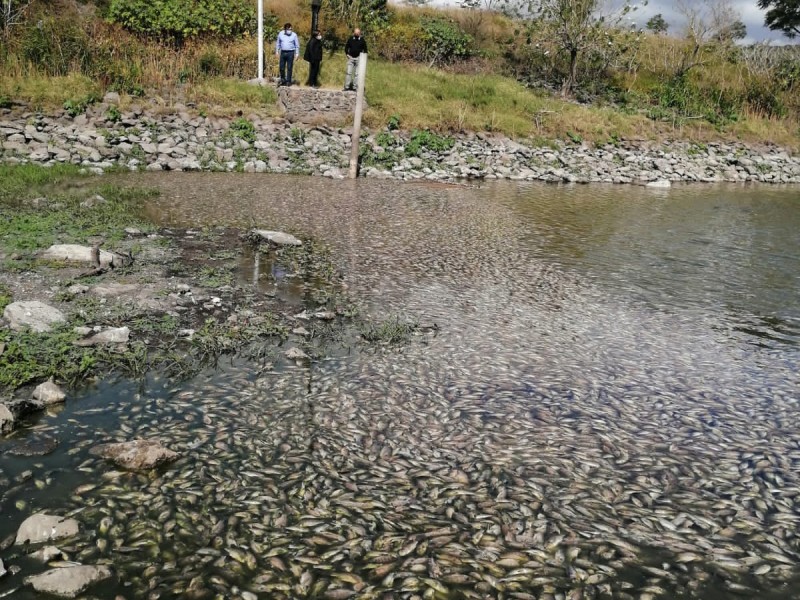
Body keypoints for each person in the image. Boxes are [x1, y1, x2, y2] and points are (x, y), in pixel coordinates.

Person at [343, 27, 367, 92]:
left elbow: (365, 50)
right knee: (348, 73)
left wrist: (362, 58)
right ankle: (346, 87)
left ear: (360, 33)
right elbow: (346, 47)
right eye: (355, 33)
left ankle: (354, 87)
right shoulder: (350, 39)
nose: (356, 34)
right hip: (350, 58)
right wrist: (347, 54)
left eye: (358, 33)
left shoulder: (362, 40)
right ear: (354, 33)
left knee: (357, 74)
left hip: (358, 58)